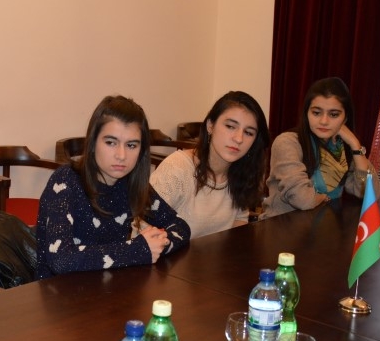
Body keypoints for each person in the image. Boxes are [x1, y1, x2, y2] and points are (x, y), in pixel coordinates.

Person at [35, 95, 191, 279]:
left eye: (131, 145)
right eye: (111, 142)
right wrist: (138, 250)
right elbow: (61, 260)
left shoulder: (130, 183)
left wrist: (156, 246)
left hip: (111, 289)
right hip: (58, 292)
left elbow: (180, 227)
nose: (121, 155)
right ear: (93, 143)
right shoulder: (65, 180)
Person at [150, 91, 271, 238]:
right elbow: (145, 230)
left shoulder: (242, 172)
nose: (239, 139)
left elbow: (240, 220)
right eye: (230, 126)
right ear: (210, 126)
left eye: (248, 132)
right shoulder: (177, 168)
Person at [264, 77, 380, 218]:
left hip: (325, 225)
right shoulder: (287, 142)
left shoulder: (341, 147)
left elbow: (371, 193)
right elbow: (303, 199)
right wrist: (322, 198)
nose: (324, 121)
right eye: (316, 113)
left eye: (333, 114)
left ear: (345, 118)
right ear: (307, 113)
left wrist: (355, 145)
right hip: (282, 225)